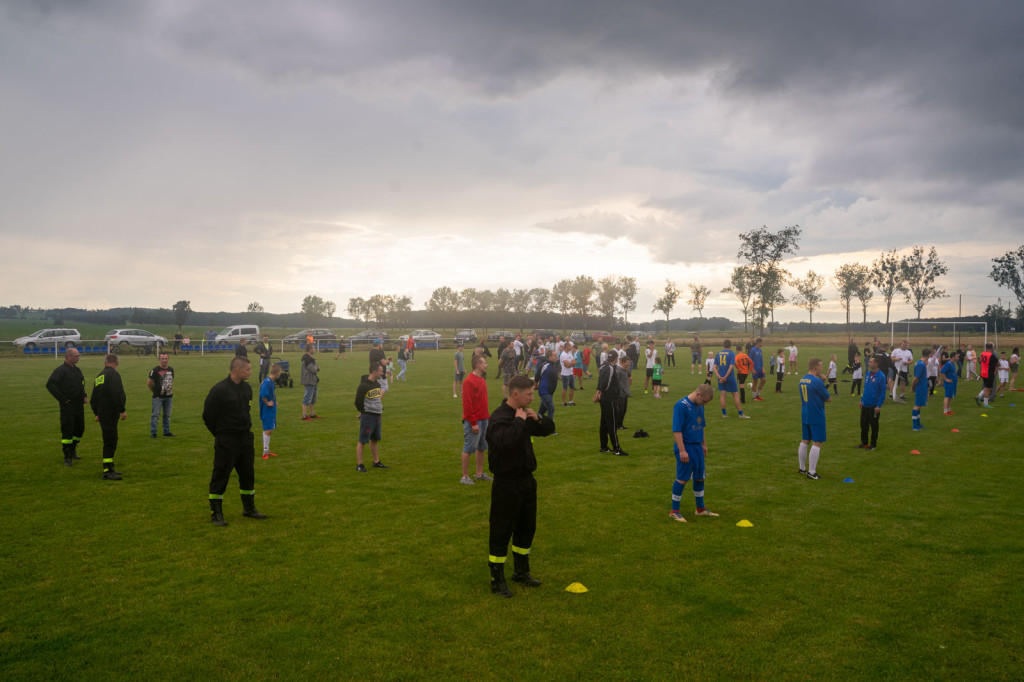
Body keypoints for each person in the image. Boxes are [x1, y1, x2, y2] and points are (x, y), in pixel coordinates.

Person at [485, 374, 556, 597]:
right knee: (502, 529)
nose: (532, 398)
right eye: (529, 394)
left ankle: (521, 572)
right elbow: (506, 442)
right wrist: (519, 421)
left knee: (526, 527)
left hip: (526, 481)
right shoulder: (499, 417)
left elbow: (548, 430)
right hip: (507, 483)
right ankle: (497, 579)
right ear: (515, 394)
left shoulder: (525, 415)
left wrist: (537, 419)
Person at [203, 356, 267, 525]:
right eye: (247, 369)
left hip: (245, 438)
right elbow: (208, 416)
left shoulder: (247, 389)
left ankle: (249, 508)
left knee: (248, 474)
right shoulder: (219, 390)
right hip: (227, 439)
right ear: (237, 370)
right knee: (221, 474)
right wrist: (219, 434)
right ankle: (216, 513)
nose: (250, 372)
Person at [669, 383, 716, 522]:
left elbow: (701, 426)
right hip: (686, 447)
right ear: (698, 394)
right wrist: (682, 451)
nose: (704, 405)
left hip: (697, 447)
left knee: (700, 477)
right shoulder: (681, 406)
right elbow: (676, 430)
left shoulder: (699, 406)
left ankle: (700, 509)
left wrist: (704, 444)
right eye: (704, 401)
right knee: (682, 478)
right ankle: (674, 511)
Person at [46, 347, 88, 467]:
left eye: (79, 356)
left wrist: (84, 396)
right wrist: (63, 399)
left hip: (79, 405)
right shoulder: (60, 370)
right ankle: (67, 456)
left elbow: (81, 385)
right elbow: (50, 385)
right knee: (68, 430)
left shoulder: (77, 370)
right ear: (69, 357)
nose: (78, 358)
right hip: (68, 406)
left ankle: (73, 450)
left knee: (80, 429)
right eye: (76, 356)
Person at [91, 353, 127, 481]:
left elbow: (93, 398)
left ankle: (110, 468)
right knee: (110, 441)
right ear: (117, 363)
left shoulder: (99, 376)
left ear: (105, 363)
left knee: (109, 440)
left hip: (102, 412)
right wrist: (122, 410)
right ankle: (107, 471)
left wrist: (96, 413)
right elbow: (118, 393)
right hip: (110, 413)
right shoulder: (114, 375)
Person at [461, 354, 493, 485]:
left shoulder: (481, 379)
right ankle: (465, 476)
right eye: (484, 363)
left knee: (482, 448)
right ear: (478, 365)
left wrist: (487, 418)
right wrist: (473, 423)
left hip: (484, 419)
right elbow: (467, 405)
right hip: (474, 421)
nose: (486, 365)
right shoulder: (469, 381)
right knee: (469, 448)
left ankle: (479, 474)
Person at [798, 358, 831, 480]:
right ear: (816, 367)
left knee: (805, 440)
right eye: (821, 366)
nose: (822, 369)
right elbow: (828, 398)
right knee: (817, 442)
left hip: (805, 412)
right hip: (816, 413)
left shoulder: (802, 379)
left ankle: (802, 468)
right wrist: (822, 382)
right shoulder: (816, 382)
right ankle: (812, 472)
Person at [354, 363, 388, 472]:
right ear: (374, 371)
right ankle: (359, 464)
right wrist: (363, 412)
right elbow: (357, 402)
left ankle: (376, 461)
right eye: (380, 371)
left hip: (377, 416)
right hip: (368, 417)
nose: (382, 373)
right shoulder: (363, 386)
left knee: (375, 439)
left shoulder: (377, 384)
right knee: (362, 440)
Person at [594, 353, 627, 455]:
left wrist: (598, 393)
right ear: (616, 358)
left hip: (604, 399)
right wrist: (600, 392)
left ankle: (603, 447)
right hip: (609, 399)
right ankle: (616, 448)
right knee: (612, 424)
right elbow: (605, 384)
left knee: (603, 423)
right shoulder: (610, 368)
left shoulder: (603, 366)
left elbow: (600, 381)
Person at [857, 355, 887, 450]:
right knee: (863, 425)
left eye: (870, 362)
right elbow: (866, 389)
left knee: (874, 426)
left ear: (876, 364)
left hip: (874, 406)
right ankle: (864, 443)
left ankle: (873, 444)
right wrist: (862, 400)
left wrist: (878, 406)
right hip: (865, 404)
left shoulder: (881, 376)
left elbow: (882, 392)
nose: (868, 363)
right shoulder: (868, 373)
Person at [715, 340, 749, 418]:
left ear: (723, 345)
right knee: (736, 395)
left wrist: (719, 377)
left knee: (723, 394)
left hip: (720, 377)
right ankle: (740, 414)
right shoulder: (731, 354)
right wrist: (726, 377)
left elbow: (714, 367)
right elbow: (731, 367)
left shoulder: (718, 354)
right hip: (729, 377)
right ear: (730, 345)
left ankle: (724, 414)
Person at [147, 353, 175, 438]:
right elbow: (149, 383)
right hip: (158, 397)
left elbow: (170, 381)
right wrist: (155, 392)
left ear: (168, 359)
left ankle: (166, 431)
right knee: (155, 415)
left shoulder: (171, 369)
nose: (164, 360)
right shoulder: (155, 370)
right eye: (162, 359)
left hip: (168, 396)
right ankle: (153, 432)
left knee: (167, 415)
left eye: (166, 358)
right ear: (159, 360)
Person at [259, 363, 282, 459]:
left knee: (267, 429)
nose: (280, 374)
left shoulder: (271, 382)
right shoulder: (267, 382)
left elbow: (270, 393)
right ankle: (265, 452)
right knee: (269, 429)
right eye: (280, 372)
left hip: (271, 409)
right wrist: (268, 403)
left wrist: (274, 401)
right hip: (267, 409)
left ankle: (267, 450)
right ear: (276, 373)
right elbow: (263, 395)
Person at [535, 349, 561, 422]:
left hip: (550, 392)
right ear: (550, 357)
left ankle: (534, 423)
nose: (557, 356)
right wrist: (536, 385)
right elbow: (537, 377)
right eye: (555, 355)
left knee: (541, 412)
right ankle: (550, 428)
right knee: (551, 408)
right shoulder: (545, 365)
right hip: (544, 391)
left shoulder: (554, 365)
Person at [911, 348, 932, 431]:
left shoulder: (922, 363)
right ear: (929, 355)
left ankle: (918, 423)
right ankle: (914, 426)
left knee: (919, 406)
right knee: (917, 406)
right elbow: (915, 378)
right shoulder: (920, 364)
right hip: (920, 387)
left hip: (923, 387)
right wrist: (912, 387)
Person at [974, 342, 998, 407]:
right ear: (992, 348)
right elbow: (998, 363)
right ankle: (985, 403)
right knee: (988, 388)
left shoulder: (982, 353)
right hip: (989, 373)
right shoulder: (991, 355)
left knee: (986, 387)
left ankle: (979, 396)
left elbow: (982, 361)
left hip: (983, 372)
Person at [300, 343, 320, 420]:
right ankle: (304, 415)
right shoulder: (307, 358)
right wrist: (316, 368)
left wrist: (316, 368)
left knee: (313, 398)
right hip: (309, 380)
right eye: (313, 348)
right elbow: (314, 370)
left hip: (313, 380)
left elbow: (317, 368)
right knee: (307, 397)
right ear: (310, 349)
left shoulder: (310, 358)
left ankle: (312, 413)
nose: (314, 349)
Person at [939, 351, 958, 415]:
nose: (958, 358)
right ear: (953, 357)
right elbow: (942, 371)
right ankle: (945, 411)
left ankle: (948, 410)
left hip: (953, 382)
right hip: (949, 383)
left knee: (950, 396)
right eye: (957, 357)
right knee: (947, 396)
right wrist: (946, 379)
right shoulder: (948, 364)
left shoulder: (952, 363)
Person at [559, 341, 576, 406]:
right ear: (566, 347)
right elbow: (567, 365)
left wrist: (571, 364)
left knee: (572, 388)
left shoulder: (569, 353)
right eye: (570, 346)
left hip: (571, 373)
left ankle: (571, 401)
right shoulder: (563, 354)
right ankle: (564, 402)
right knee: (565, 388)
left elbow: (574, 362)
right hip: (565, 374)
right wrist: (572, 364)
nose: (571, 347)